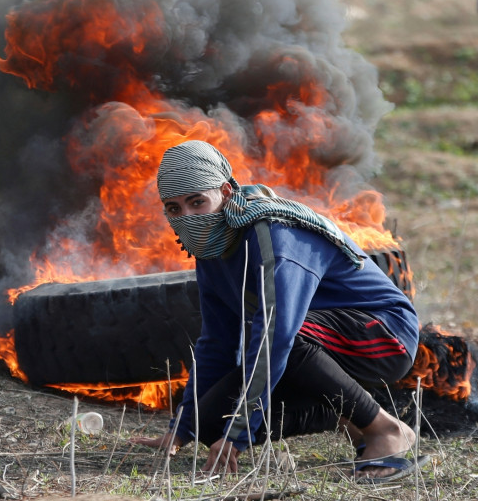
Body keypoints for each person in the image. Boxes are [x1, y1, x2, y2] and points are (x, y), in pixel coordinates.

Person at [130, 140, 423, 481]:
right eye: (174, 208)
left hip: (383, 335)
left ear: (226, 192)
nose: (188, 217)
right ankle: (353, 416)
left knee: (278, 334)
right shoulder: (210, 251)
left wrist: (238, 436)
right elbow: (216, 344)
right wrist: (182, 428)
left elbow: (277, 332)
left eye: (197, 202)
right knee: (211, 422)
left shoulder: (272, 233)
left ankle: (385, 431)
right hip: (313, 345)